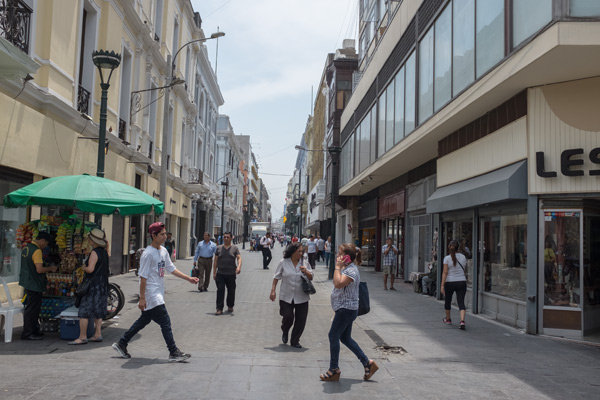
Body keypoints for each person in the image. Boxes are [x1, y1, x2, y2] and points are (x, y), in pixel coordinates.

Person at [112, 222, 199, 362]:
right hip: (152, 294)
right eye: (162, 234)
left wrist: (188, 279)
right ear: (154, 235)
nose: (165, 236)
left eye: (165, 233)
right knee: (165, 321)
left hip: (158, 291)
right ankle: (173, 351)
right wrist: (142, 298)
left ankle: (122, 343)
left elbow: (171, 268)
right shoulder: (147, 254)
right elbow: (143, 277)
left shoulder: (163, 251)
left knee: (144, 320)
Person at [320, 244, 378, 382]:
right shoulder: (347, 268)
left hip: (346, 310)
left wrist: (337, 267)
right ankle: (367, 363)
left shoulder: (351, 270)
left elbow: (338, 283)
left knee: (333, 336)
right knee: (345, 338)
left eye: (340, 254)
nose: (337, 256)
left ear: (347, 257)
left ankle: (334, 369)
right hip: (345, 309)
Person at [69, 229, 110, 345]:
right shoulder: (105, 252)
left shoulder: (94, 252)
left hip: (92, 285)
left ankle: (82, 337)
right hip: (102, 284)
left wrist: (84, 268)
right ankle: (97, 334)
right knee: (98, 310)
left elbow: (91, 269)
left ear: (93, 241)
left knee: (84, 311)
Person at [269, 242, 313, 348]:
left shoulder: (305, 262)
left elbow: (311, 277)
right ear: (292, 252)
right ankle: (285, 330)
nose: (301, 253)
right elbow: (276, 277)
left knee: (301, 320)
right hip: (286, 296)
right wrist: (273, 291)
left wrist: (306, 271)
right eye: (299, 251)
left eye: (302, 251)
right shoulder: (283, 262)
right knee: (288, 317)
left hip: (301, 296)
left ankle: (295, 340)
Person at [19, 231, 57, 340]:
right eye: (46, 243)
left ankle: (33, 330)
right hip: (34, 283)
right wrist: (51, 268)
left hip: (27, 281)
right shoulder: (37, 251)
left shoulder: (27, 248)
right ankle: (28, 333)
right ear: (43, 240)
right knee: (32, 309)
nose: (46, 246)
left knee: (32, 308)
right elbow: (39, 269)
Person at [441, 239, 468, 330]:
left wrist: (442, 285)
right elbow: (464, 268)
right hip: (461, 281)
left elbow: (445, 272)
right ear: (458, 248)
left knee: (447, 301)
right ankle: (462, 321)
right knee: (461, 302)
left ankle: (448, 319)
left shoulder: (447, 258)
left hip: (450, 282)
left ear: (449, 247)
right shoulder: (463, 257)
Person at [213, 232, 242, 315]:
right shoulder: (219, 248)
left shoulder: (235, 248)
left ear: (231, 238)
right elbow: (215, 261)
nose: (226, 238)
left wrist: (238, 267)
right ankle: (219, 308)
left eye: (227, 237)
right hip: (220, 273)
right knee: (220, 290)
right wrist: (214, 272)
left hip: (231, 274)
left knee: (231, 291)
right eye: (224, 237)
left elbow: (239, 258)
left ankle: (230, 305)